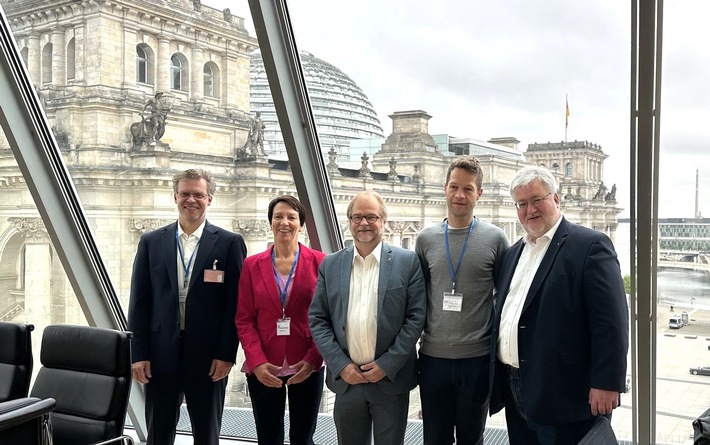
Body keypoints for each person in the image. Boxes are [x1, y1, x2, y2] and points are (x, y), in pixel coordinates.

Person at [489, 166, 629, 444]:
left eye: (537, 200)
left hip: (566, 392)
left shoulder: (589, 245)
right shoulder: (512, 253)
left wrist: (606, 382)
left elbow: (611, 321)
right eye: (522, 204)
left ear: (556, 199)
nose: (530, 210)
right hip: (515, 385)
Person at [128, 169, 247, 445]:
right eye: (185, 194)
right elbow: (140, 301)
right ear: (175, 197)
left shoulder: (230, 244)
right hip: (159, 356)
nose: (191, 200)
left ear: (210, 199)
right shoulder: (151, 241)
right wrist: (138, 353)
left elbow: (235, 305)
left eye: (198, 194)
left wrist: (226, 354)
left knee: (206, 436)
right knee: (158, 434)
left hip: (208, 360)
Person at [309, 191, 426, 445]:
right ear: (349, 221)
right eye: (357, 217)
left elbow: (416, 318)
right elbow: (318, 319)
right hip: (347, 380)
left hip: (390, 380)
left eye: (371, 217)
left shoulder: (408, 262)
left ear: (383, 220)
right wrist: (340, 365)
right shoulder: (331, 264)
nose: (364, 223)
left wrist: (387, 364)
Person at [415, 155, 510, 445]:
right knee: (435, 438)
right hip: (433, 359)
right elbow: (419, 297)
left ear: (479, 193)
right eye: (454, 186)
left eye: (468, 189)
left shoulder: (496, 239)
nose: (460, 195)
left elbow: (504, 296)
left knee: (472, 438)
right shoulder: (426, 239)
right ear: (444, 188)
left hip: (477, 360)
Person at [235, 196, 326, 445]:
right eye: (278, 217)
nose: (284, 222)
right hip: (265, 362)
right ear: (270, 222)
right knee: (267, 438)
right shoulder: (252, 265)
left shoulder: (321, 262)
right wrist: (256, 362)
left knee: (303, 438)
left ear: (301, 224)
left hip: (306, 362)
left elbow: (328, 317)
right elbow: (244, 319)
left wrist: (313, 359)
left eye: (291, 217)